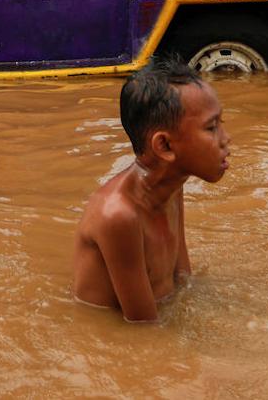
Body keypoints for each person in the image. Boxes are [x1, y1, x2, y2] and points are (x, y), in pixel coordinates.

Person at [72, 57, 231, 322]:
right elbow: (143, 328)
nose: (226, 139)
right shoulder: (119, 216)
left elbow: (183, 278)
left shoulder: (173, 186)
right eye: (212, 127)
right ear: (165, 146)